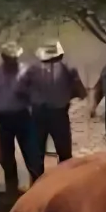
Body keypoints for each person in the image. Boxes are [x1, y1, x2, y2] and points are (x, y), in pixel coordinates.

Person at [22, 41, 85, 177]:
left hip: (38, 114)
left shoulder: (32, 70)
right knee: (64, 153)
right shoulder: (68, 68)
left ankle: (37, 184)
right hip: (59, 113)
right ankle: (63, 181)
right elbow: (81, 92)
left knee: (37, 153)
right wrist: (68, 95)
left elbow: (20, 90)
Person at [0, 43, 32, 194]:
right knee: (6, 156)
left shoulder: (27, 72)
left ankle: (34, 188)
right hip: (1, 119)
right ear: (3, 58)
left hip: (23, 116)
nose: (12, 61)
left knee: (31, 153)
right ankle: (11, 190)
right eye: (9, 58)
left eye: (14, 58)